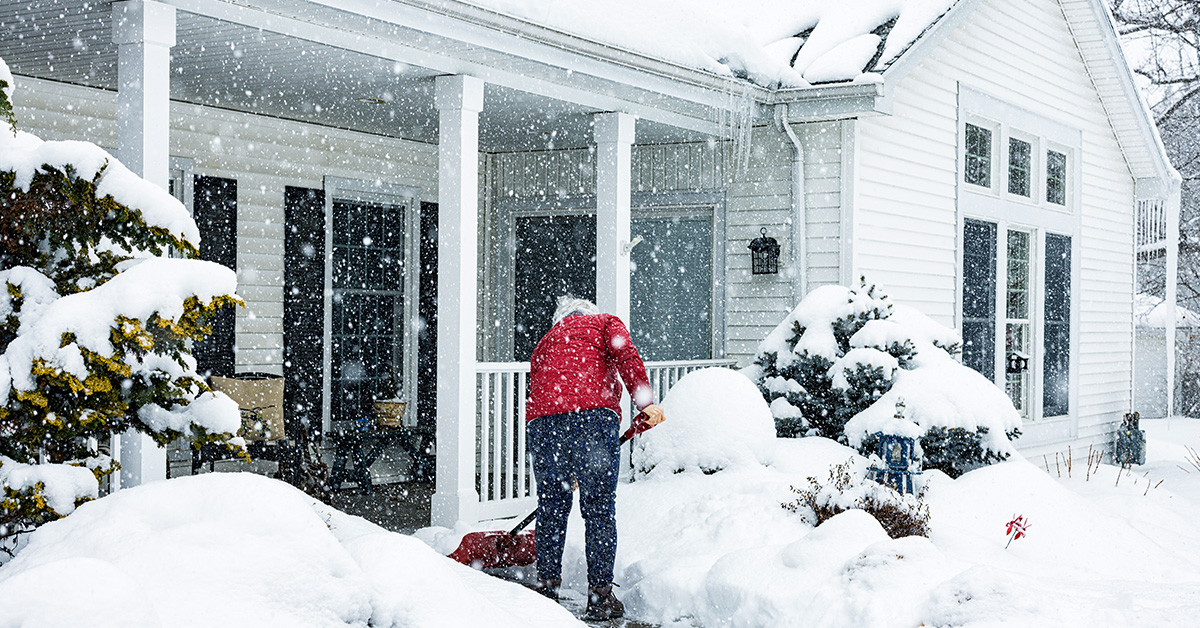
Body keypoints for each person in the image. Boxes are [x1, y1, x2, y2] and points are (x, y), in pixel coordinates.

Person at [525, 296, 665, 620]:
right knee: (599, 508)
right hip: (592, 420)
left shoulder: (547, 339)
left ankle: (546, 590)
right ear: (587, 312)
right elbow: (626, 356)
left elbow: (540, 387)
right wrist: (645, 404)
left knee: (552, 507)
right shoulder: (604, 323)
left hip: (545, 426)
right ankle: (600, 597)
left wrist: (559, 442)